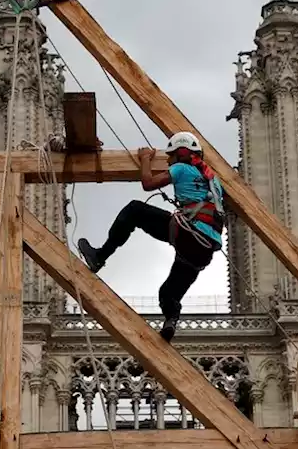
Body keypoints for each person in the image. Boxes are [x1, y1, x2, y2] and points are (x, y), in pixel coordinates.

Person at [77, 131, 227, 342]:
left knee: (135, 210)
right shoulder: (215, 183)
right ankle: (170, 321)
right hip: (204, 250)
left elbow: (148, 183)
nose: (167, 160)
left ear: (180, 153)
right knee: (168, 294)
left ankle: (100, 256)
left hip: (188, 232)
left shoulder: (181, 168)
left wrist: (145, 159)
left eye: (170, 156)